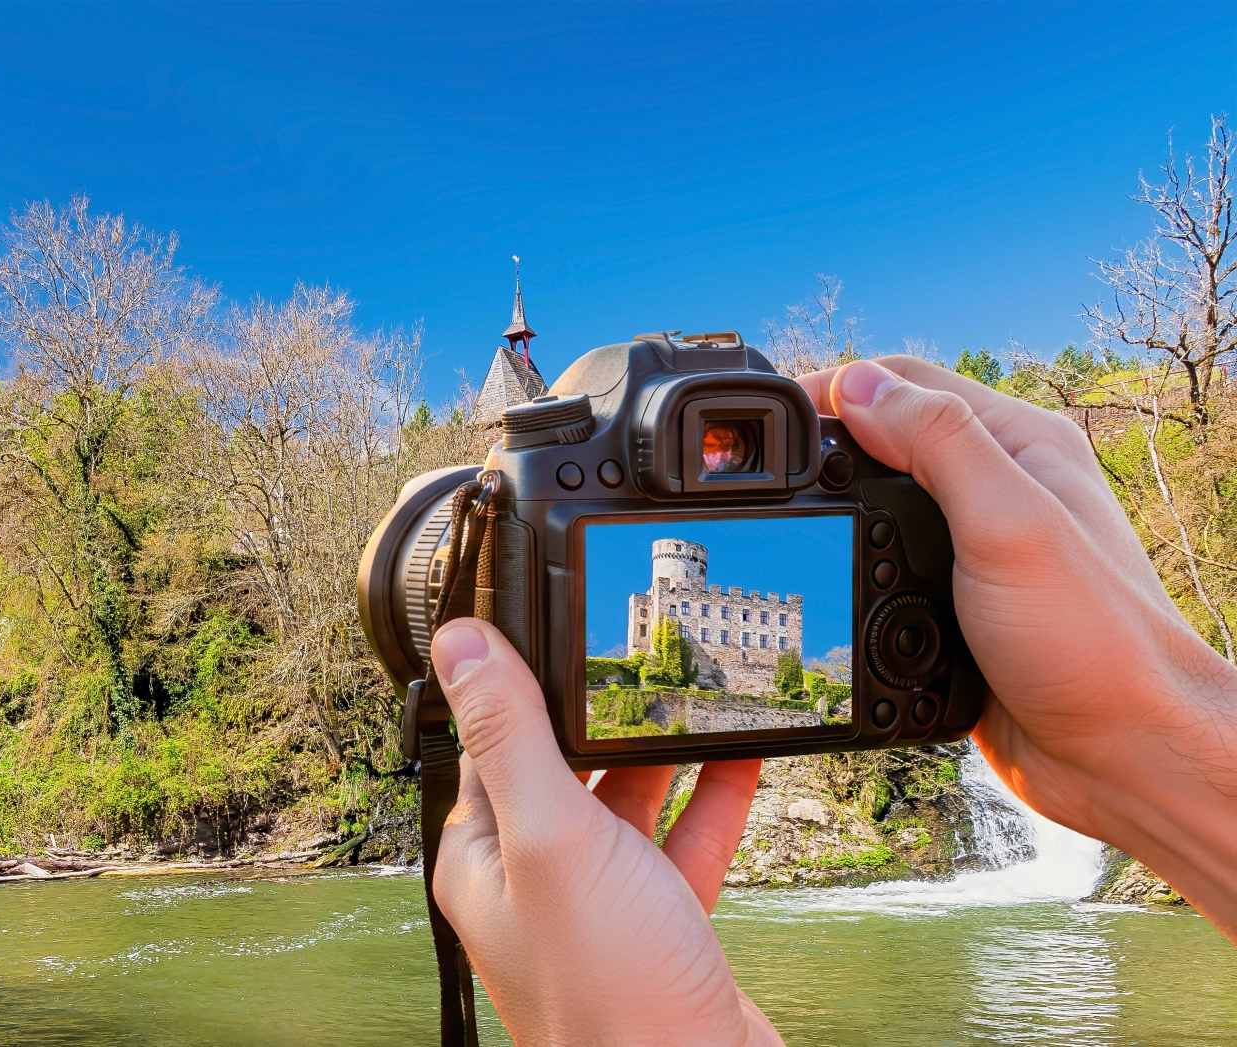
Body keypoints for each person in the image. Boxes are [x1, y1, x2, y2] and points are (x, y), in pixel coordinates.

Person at [430, 357, 1237, 1046]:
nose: (682, 582)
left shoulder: (732, 613)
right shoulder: (656, 608)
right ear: (670, 561)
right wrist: (1163, 742)